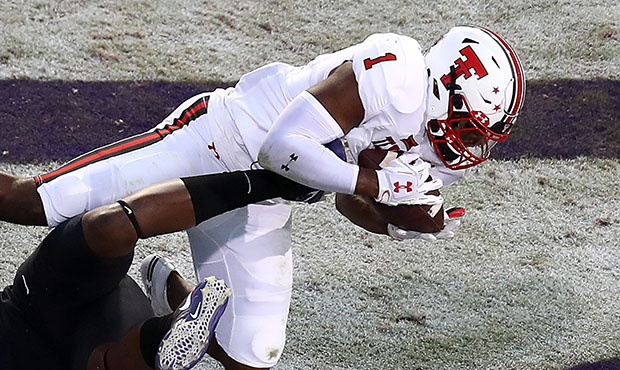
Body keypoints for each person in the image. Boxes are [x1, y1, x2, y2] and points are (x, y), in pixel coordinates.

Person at [0, 25, 526, 369]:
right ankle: (177, 295)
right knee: (34, 203)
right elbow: (283, 148)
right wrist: (377, 183)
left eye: (484, 133)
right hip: (218, 138)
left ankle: (177, 298)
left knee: (250, 354)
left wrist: (402, 222)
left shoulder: (448, 146)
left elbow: (349, 203)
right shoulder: (397, 73)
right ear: (443, 85)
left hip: (265, 196)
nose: (472, 143)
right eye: (469, 124)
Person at [0, 168, 318, 370]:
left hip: (32, 304)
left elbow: (11, 195)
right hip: (103, 344)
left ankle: (266, 182)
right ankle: (175, 311)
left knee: (109, 226)